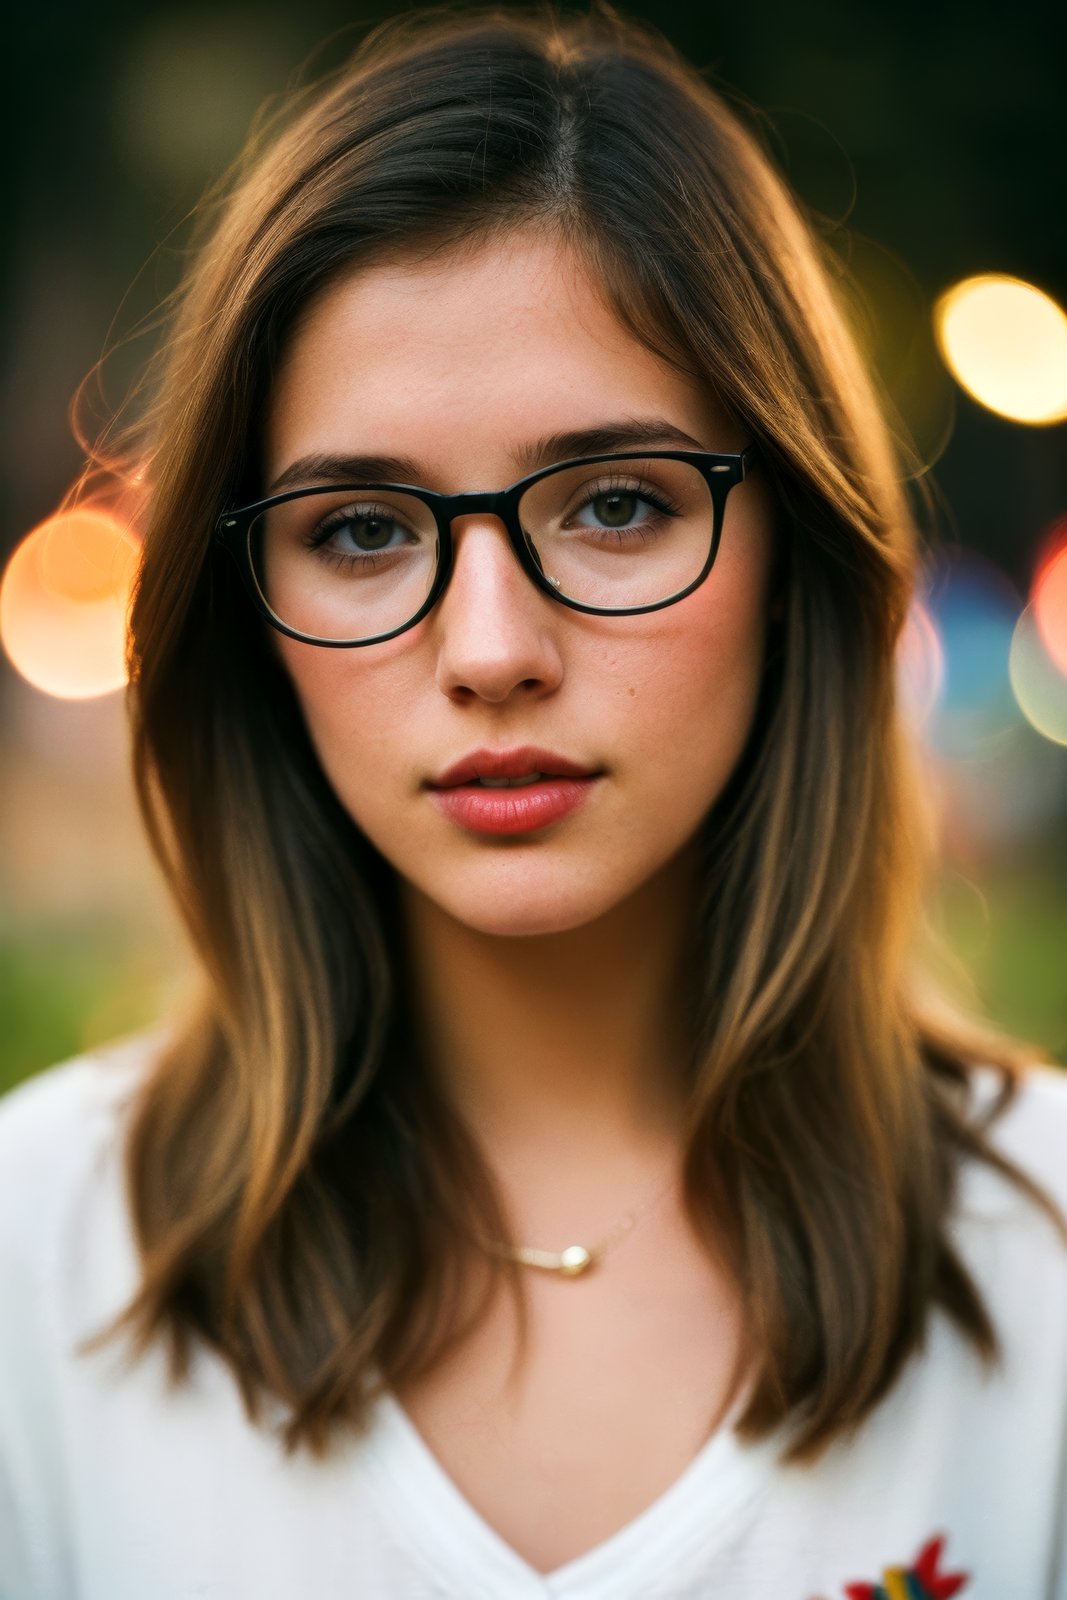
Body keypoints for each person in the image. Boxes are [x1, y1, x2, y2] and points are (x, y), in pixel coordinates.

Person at [1, 6, 1066, 1597]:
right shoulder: (37, 1256)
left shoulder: (1046, 1256)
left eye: (618, 505)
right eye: (360, 530)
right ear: (246, 619)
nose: (491, 650)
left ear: (798, 560)